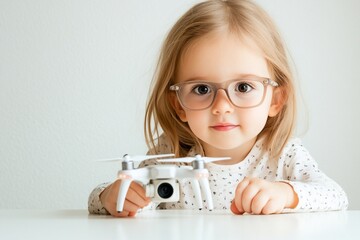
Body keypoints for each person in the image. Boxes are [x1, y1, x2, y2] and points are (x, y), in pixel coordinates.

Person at [88, 0, 348, 217]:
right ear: (178, 104)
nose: (222, 107)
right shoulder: (169, 154)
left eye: (244, 87)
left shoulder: (284, 154)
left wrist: (286, 193)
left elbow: (336, 196)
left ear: (276, 99)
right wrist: (111, 197)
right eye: (201, 89)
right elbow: (98, 200)